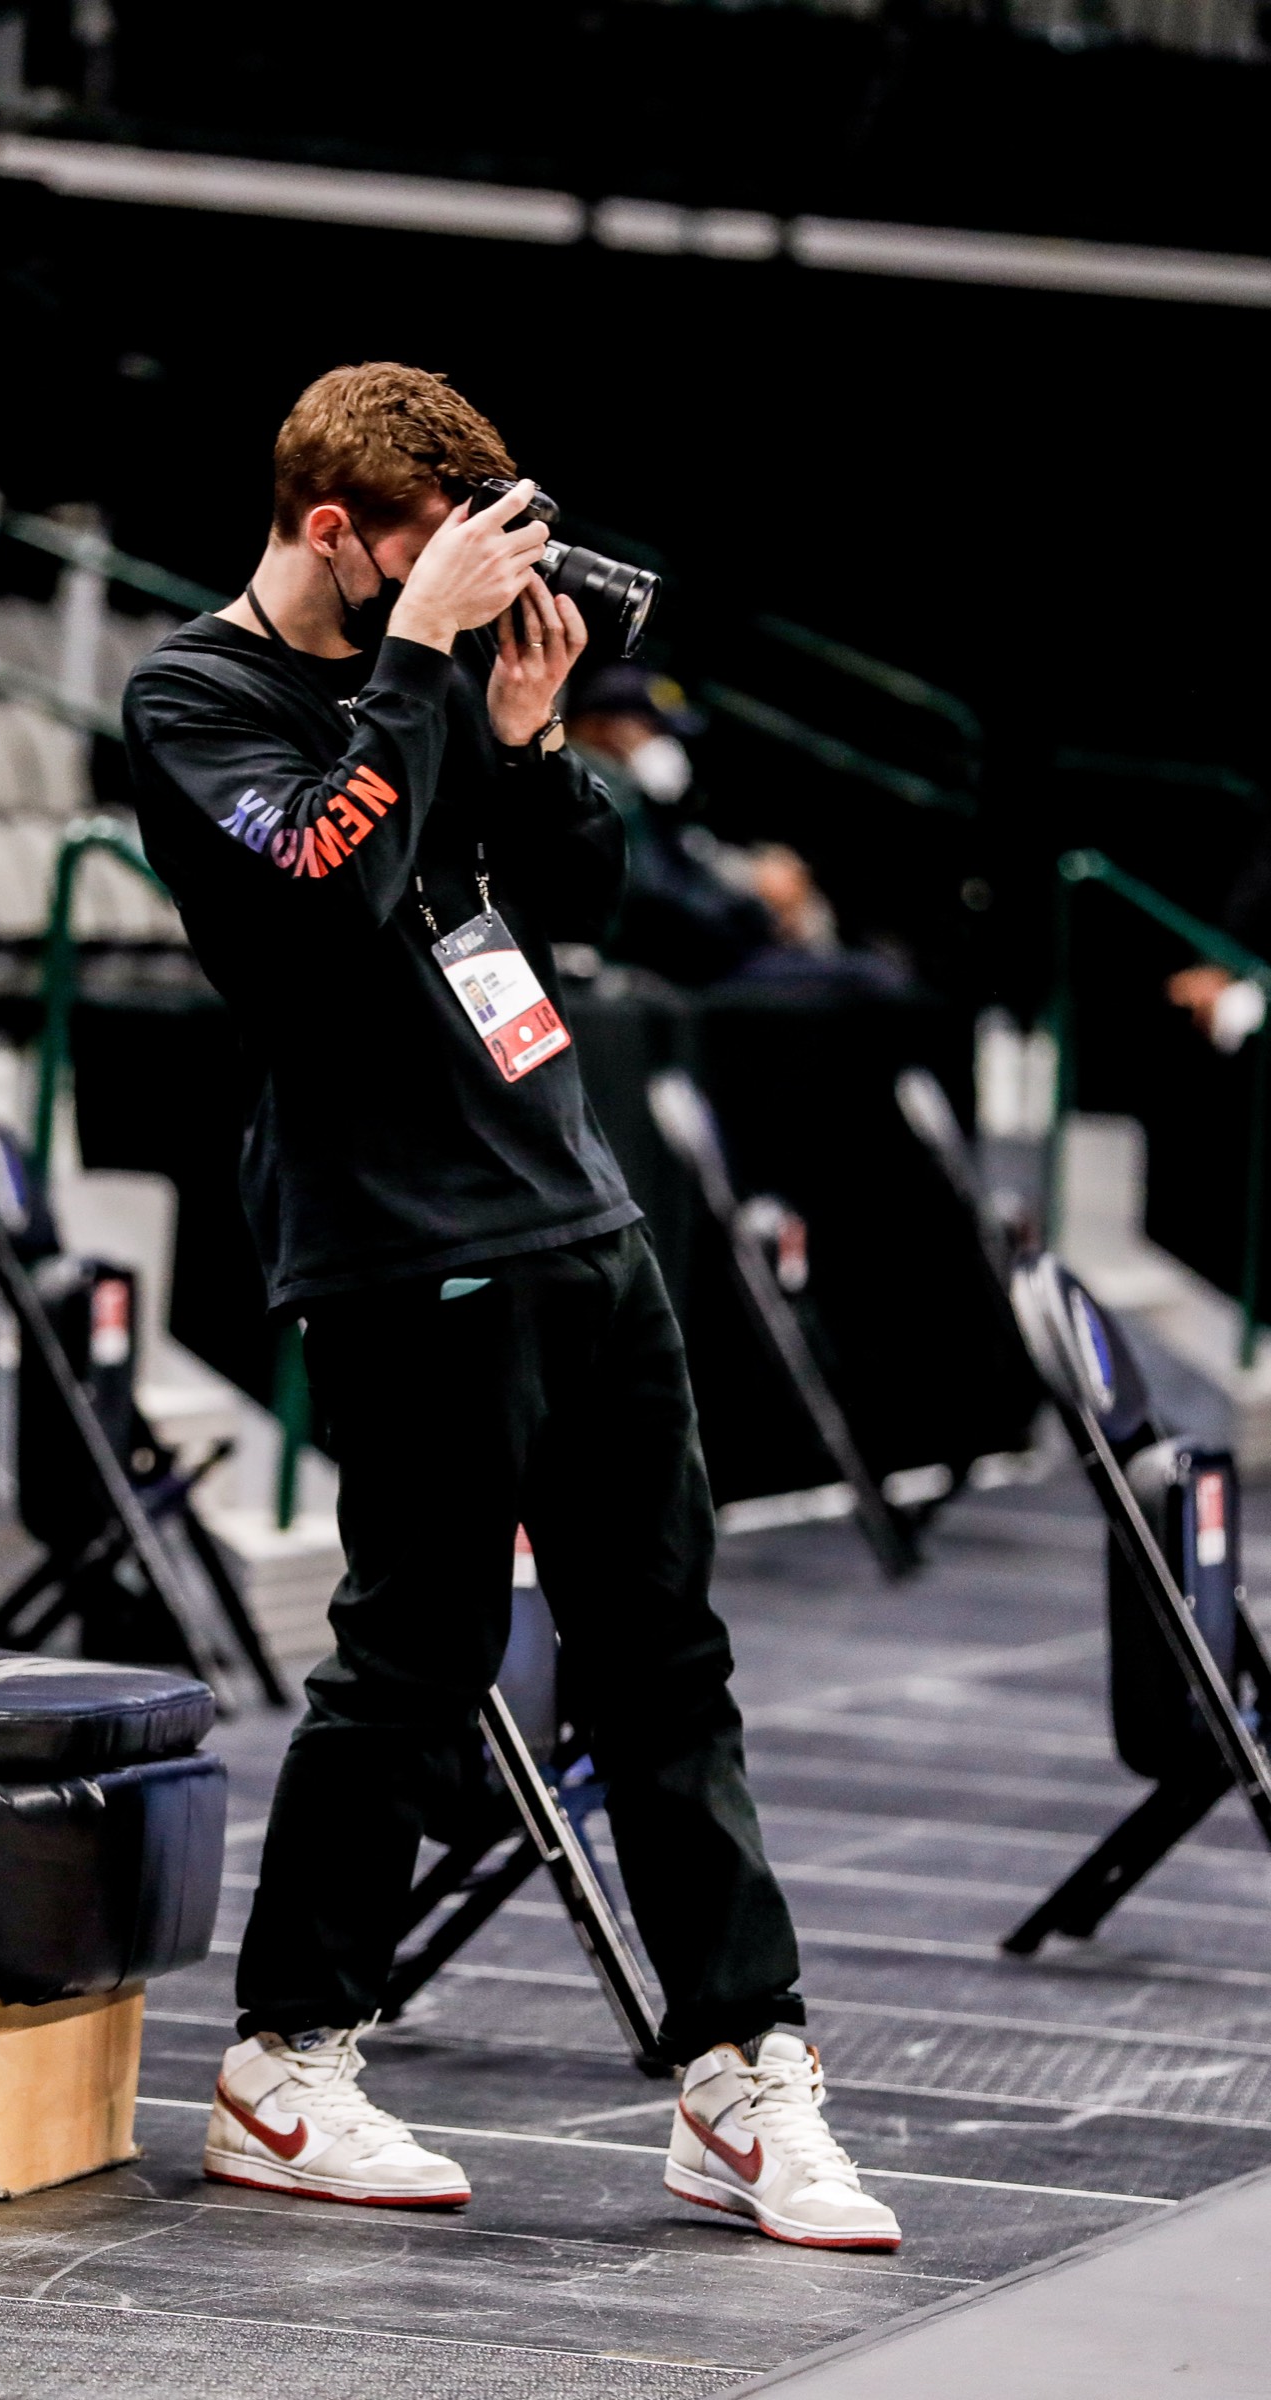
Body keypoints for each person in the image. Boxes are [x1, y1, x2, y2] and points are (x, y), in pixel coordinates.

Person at [123, 362, 900, 2251]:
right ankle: (287, 2061)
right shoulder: (192, 695)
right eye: (431, 551)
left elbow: (584, 904)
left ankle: (739, 2069)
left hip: (572, 1204)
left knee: (665, 1656)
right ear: (337, 532)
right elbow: (322, 889)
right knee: (417, 1651)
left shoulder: (447, 683)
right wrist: (415, 665)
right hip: (397, 1235)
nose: (471, 587)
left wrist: (532, 735)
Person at [567, 664, 909, 997]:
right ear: (606, 725)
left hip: (715, 953)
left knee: (875, 957)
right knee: (874, 978)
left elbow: (690, 870)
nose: (666, 746)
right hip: (683, 969)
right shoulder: (596, 788)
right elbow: (657, 902)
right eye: (655, 731)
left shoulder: (643, 796)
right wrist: (757, 912)